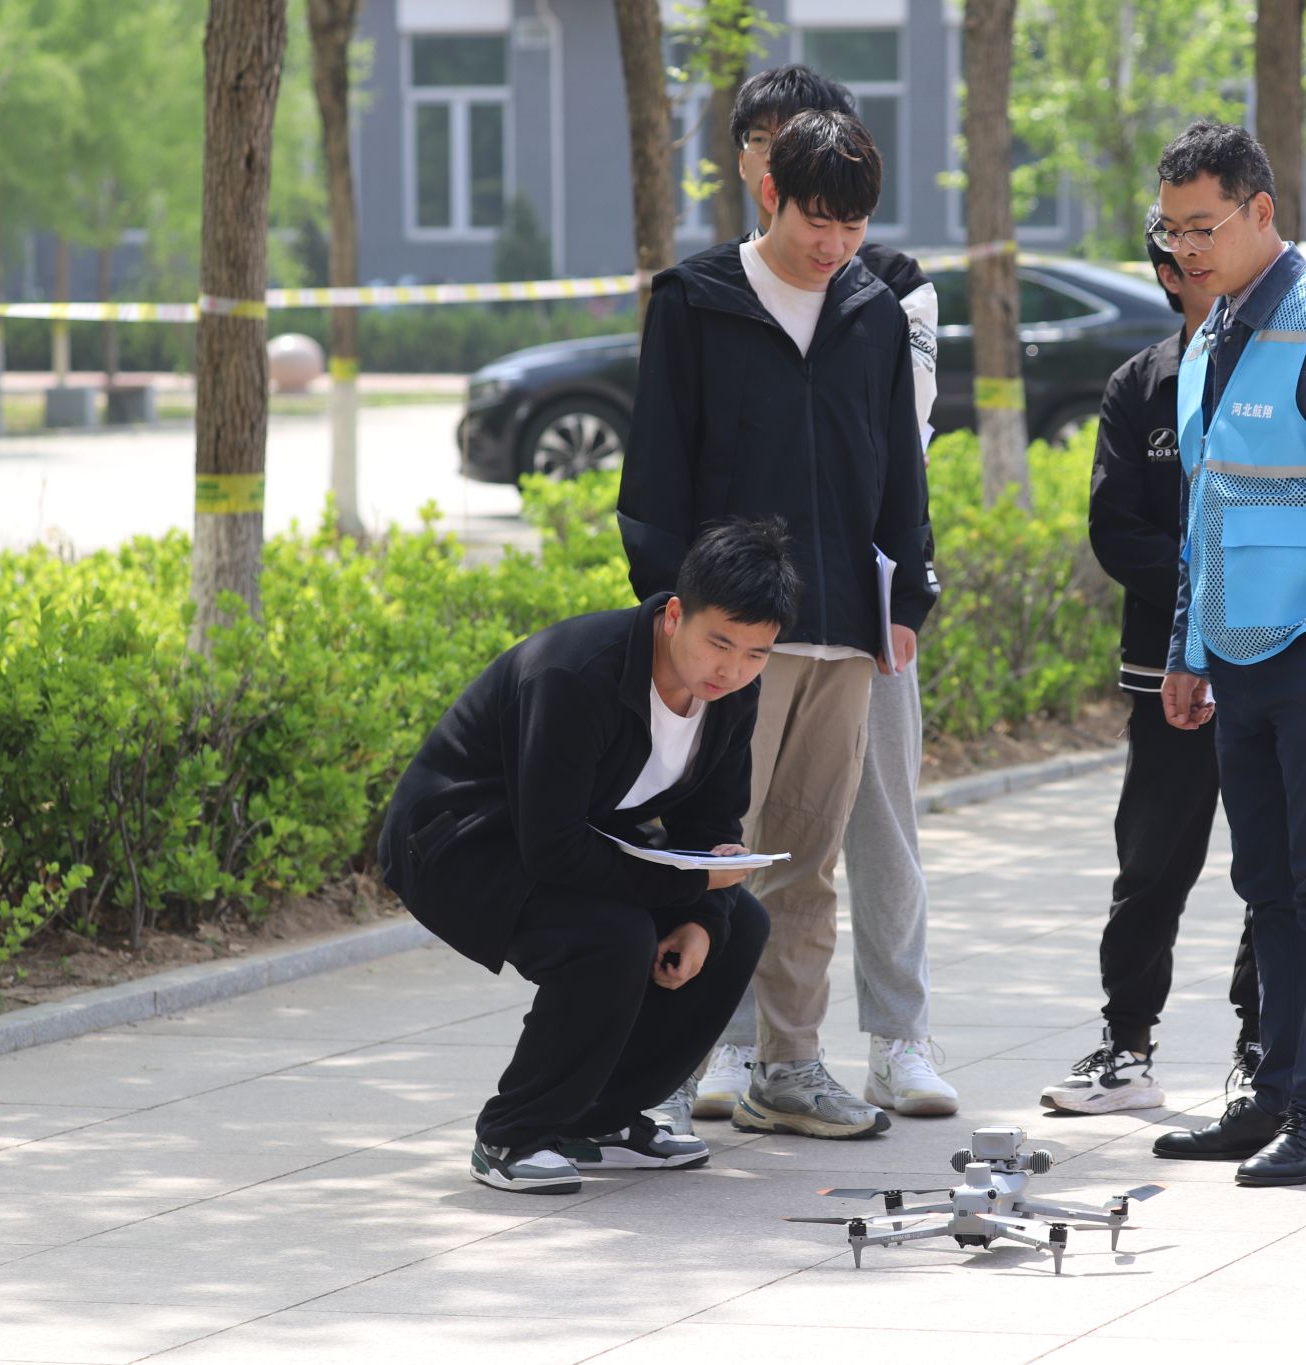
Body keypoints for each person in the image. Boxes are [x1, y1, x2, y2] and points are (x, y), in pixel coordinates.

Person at [616, 109, 936, 1140]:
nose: (832, 245)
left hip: (842, 634)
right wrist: (671, 613)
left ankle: (789, 1066)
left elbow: (899, 473)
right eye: (815, 221)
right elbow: (654, 470)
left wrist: (907, 601)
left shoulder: (873, 314)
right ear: (769, 194)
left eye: (852, 225)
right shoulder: (695, 302)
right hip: (723, 640)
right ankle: (665, 1074)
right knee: (704, 853)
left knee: (806, 863)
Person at [1146, 119, 1306, 1187]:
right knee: (1266, 885)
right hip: (1236, 653)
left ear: (1261, 212)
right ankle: (1275, 1094)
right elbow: (1204, 503)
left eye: (1202, 227)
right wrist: (1186, 646)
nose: (1184, 249)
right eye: (1170, 230)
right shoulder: (1212, 330)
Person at [375, 519, 795, 1194]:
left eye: (756, 653)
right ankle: (511, 1134)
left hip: (569, 839)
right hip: (458, 843)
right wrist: (690, 891)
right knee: (610, 937)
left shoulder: (732, 694)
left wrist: (703, 918)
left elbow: (712, 824)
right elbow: (552, 847)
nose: (732, 669)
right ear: (674, 614)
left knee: (741, 923)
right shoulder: (576, 673)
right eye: (719, 643)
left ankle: (599, 1121)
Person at [1038, 208, 1260, 1117]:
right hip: (1164, 674)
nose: (1200, 263)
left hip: (1269, 662)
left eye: (1213, 244)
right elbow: (1115, 527)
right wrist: (1204, 595)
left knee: (1274, 865)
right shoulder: (1139, 384)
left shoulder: (1283, 368)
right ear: (1167, 274)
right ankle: (1126, 1047)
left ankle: (1263, 1048)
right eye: (1183, 254)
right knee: (1151, 864)